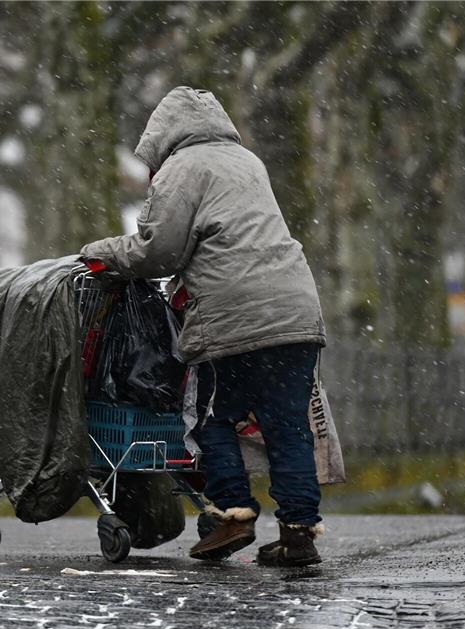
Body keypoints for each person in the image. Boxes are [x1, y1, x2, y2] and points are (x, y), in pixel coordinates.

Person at [81, 86, 326, 566]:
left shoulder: (181, 168)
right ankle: (299, 534)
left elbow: (160, 251)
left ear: (161, 136)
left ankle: (232, 515)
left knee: (211, 418)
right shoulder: (248, 161)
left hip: (233, 314)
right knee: (288, 428)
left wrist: (100, 252)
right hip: (297, 310)